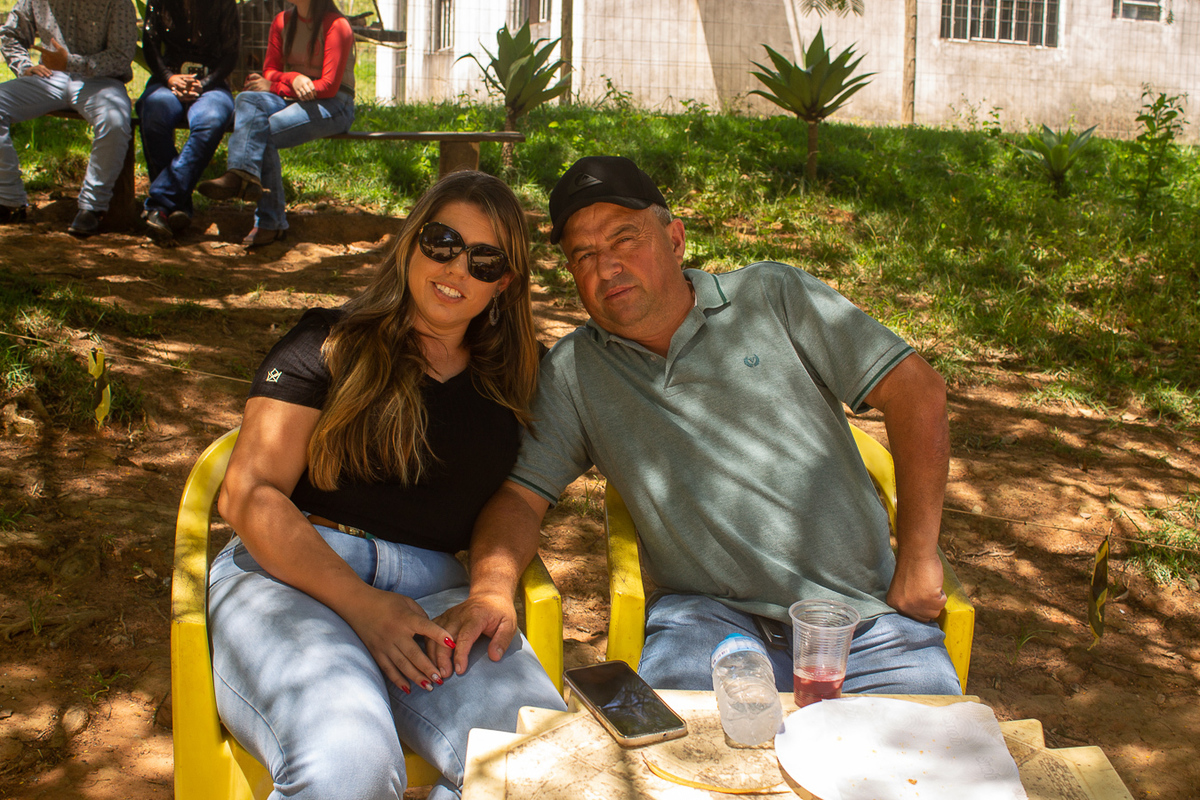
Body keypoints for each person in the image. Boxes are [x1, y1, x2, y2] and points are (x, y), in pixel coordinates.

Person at [432, 155, 962, 697]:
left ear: (675, 239)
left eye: (625, 239)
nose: (607, 268)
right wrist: (490, 592)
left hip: (857, 619)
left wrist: (919, 557)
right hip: (706, 624)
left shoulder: (773, 296)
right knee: (683, 749)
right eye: (584, 255)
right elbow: (520, 498)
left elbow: (917, 391)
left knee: (936, 747)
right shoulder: (575, 371)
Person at [209, 170, 565, 800]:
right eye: (443, 243)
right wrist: (364, 606)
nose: (456, 269)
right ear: (411, 242)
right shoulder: (329, 340)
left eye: (484, 260)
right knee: (348, 761)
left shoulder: (516, 378)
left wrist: (490, 590)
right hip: (293, 574)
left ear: (504, 283)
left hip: (436, 597)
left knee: (538, 765)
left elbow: (515, 499)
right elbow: (248, 492)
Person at [198, 0, 354, 248]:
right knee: (247, 98)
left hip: (335, 104)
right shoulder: (282, 21)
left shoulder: (337, 25)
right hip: (294, 95)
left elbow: (327, 87)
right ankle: (242, 172)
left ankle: (269, 220)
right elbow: (269, 70)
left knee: (263, 132)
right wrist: (293, 78)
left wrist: (276, 86)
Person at [0, 0, 136, 236]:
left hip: (101, 81)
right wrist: (23, 66)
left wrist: (70, 63)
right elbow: (11, 33)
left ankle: (92, 207)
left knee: (114, 123)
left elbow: (121, 57)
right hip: (49, 78)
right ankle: (7, 198)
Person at [137, 0, 239, 241]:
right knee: (153, 114)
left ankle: (160, 204)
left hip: (211, 84)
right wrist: (169, 77)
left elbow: (231, 55)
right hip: (168, 81)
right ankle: (178, 206)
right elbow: (150, 46)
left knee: (211, 120)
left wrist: (203, 84)